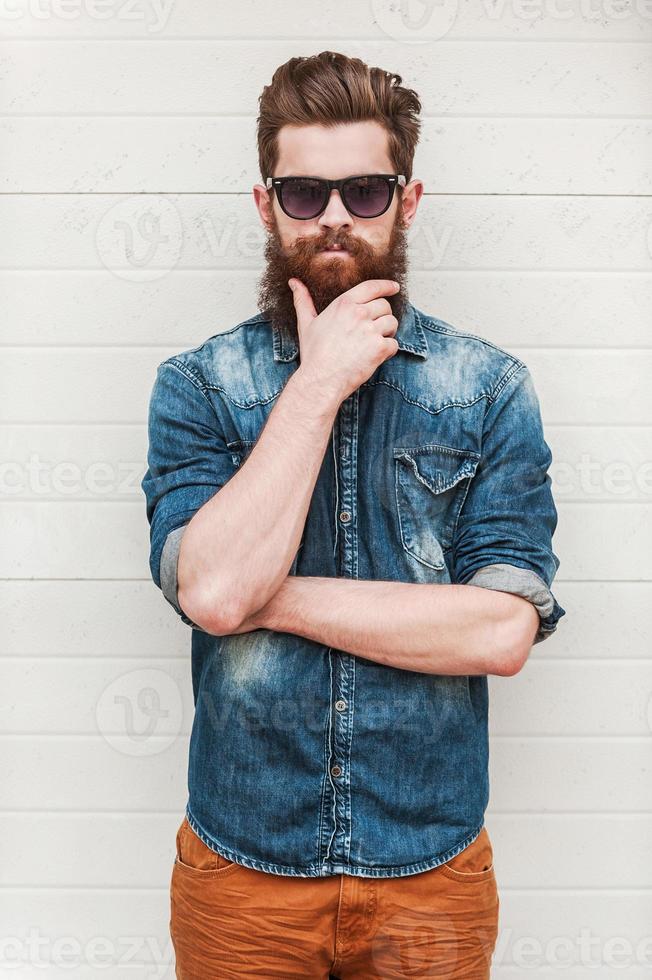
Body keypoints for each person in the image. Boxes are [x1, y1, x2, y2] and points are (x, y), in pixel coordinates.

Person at [141, 50, 565, 980]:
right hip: (241, 877)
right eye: (304, 193)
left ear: (407, 203)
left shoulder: (488, 390)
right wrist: (317, 384)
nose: (334, 216)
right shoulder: (198, 388)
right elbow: (211, 588)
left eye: (365, 191)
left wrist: (265, 595)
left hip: (432, 878)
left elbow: (499, 630)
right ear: (266, 206)